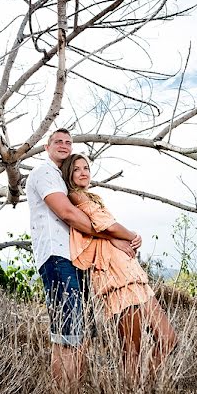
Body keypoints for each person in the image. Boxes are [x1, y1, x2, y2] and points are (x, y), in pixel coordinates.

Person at [26, 128, 142, 394]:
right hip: (57, 257)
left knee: (73, 331)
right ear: (47, 146)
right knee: (69, 330)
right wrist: (119, 236)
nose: (64, 145)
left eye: (68, 142)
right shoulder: (44, 173)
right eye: (59, 142)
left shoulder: (62, 180)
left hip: (75, 260)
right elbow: (67, 214)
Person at [61, 153, 177, 379]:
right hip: (114, 277)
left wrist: (119, 236)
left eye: (86, 167)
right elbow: (107, 226)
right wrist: (132, 235)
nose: (84, 172)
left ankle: (143, 392)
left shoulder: (90, 196)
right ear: (69, 174)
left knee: (168, 339)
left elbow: (107, 229)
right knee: (131, 352)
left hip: (132, 274)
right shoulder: (75, 197)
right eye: (77, 169)